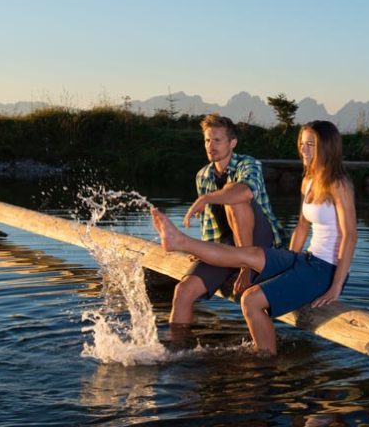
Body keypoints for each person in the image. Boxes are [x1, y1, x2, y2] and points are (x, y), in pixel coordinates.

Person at [153, 120, 357, 354]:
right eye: (302, 144)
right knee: (248, 256)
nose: (304, 149)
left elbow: (350, 235)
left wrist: (336, 286)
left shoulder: (339, 184)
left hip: (326, 270)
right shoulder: (308, 180)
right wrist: (288, 260)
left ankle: (266, 363)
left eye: (311, 144)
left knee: (250, 300)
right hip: (306, 259)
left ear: (327, 147)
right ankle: (181, 242)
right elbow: (301, 227)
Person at [169, 114, 284, 325]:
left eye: (217, 140)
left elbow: (245, 193)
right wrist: (203, 250)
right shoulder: (202, 175)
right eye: (207, 140)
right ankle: (175, 353)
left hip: (262, 244)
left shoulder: (248, 163)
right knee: (183, 291)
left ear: (232, 143)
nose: (210, 146)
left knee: (234, 196)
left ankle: (246, 267)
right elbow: (209, 224)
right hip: (227, 246)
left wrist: (206, 198)